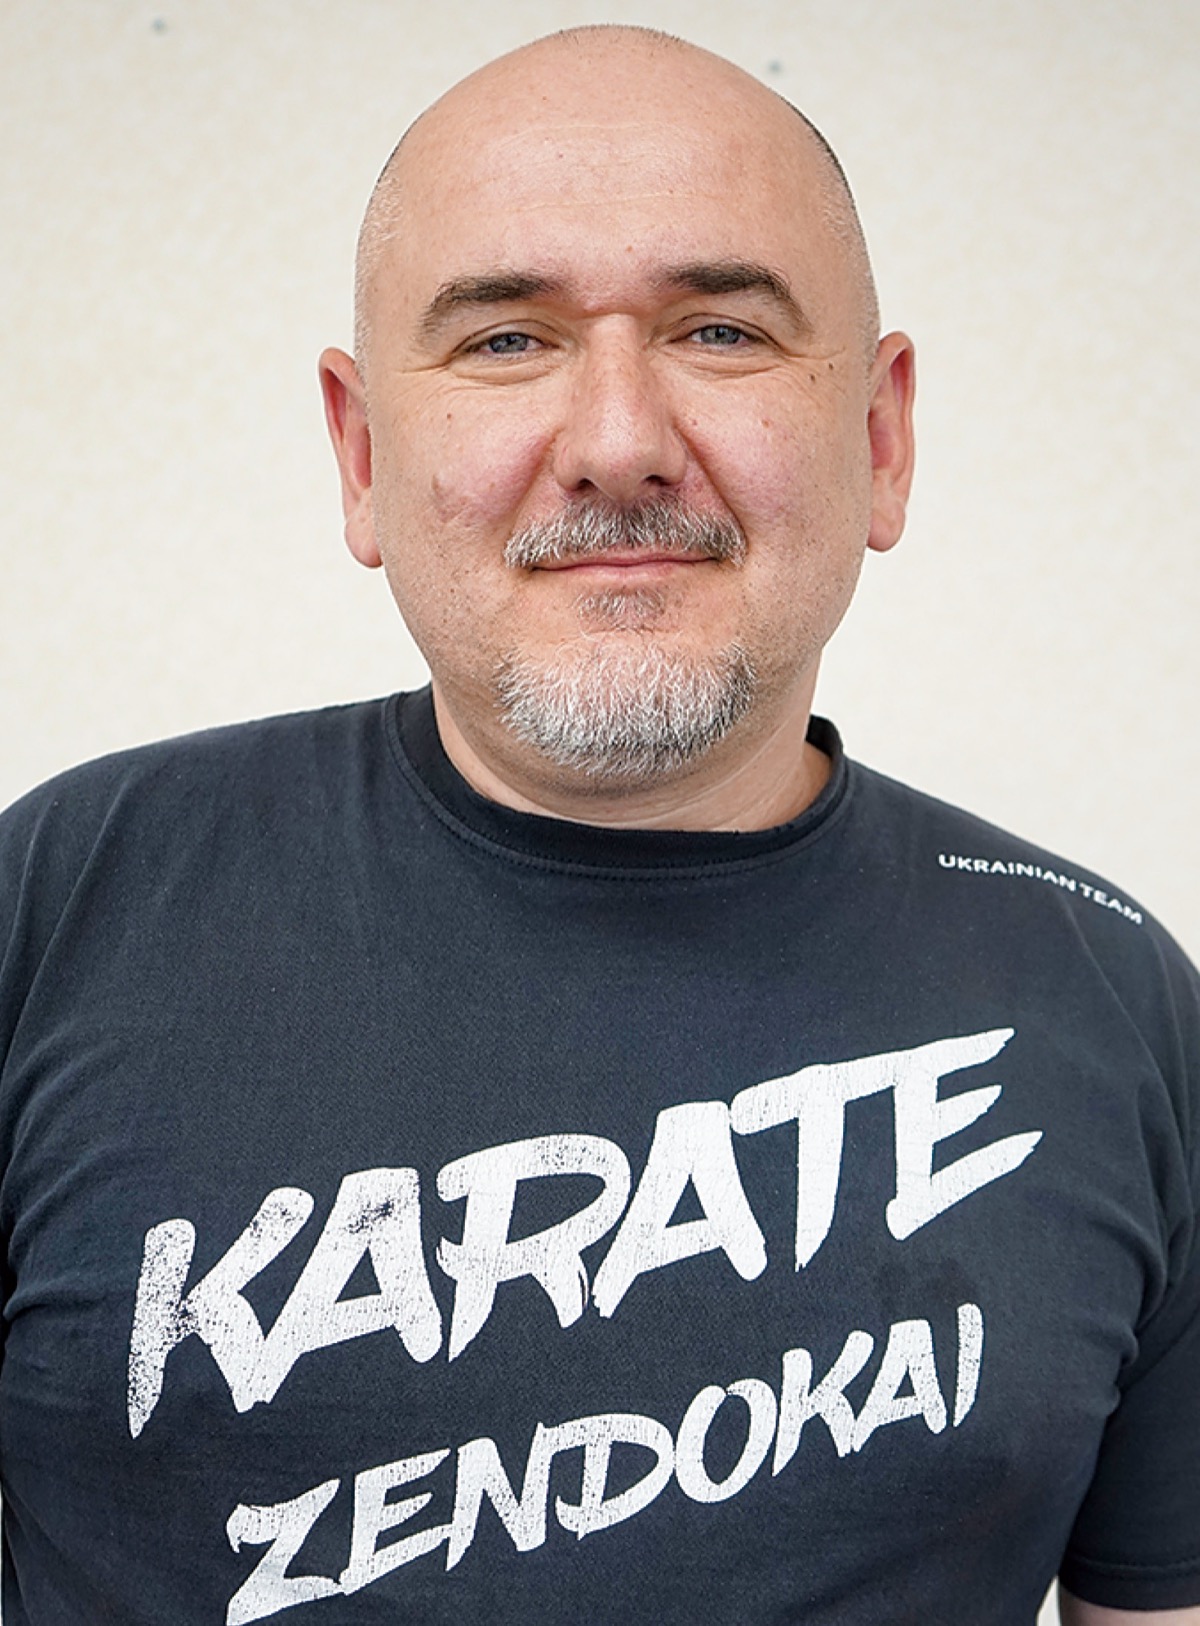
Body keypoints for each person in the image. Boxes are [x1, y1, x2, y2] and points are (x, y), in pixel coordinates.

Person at [0, 23, 1196, 1625]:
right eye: (506, 340)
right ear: (361, 454)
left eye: (721, 330)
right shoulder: (57, 908)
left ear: (881, 438)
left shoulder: (1112, 1003)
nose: (619, 439)